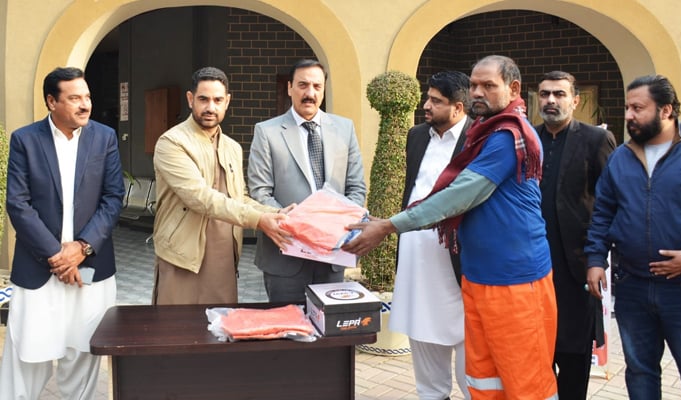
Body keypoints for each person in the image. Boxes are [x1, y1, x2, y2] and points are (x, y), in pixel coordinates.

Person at [343, 55, 558, 399]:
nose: (478, 92)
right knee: (486, 379)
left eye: (489, 86)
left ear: (514, 89)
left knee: (524, 380)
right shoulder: (482, 133)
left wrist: (388, 226)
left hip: (515, 278)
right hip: (480, 276)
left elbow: (455, 197)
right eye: (474, 84)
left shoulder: (506, 136)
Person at [0, 67, 125, 399]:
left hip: (91, 269)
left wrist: (82, 248)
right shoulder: (25, 139)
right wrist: (58, 256)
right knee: (27, 352)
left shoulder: (104, 137)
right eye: (74, 98)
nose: (85, 105)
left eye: (87, 97)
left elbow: (113, 197)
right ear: (51, 101)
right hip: (39, 268)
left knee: (84, 353)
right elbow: (18, 203)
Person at [585, 75, 681, 399]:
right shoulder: (621, 157)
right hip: (633, 286)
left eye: (638, 108)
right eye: (626, 108)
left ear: (666, 110)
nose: (629, 116)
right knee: (639, 374)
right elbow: (603, 213)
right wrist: (595, 259)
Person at [151, 67, 291, 305]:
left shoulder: (232, 147)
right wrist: (258, 221)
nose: (210, 108)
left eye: (217, 100)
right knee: (176, 334)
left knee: (219, 332)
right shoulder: (171, 142)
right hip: (182, 257)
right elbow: (200, 197)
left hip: (224, 256)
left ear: (227, 101)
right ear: (190, 99)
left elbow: (240, 197)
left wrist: (277, 214)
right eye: (203, 99)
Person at [248, 59, 366, 303]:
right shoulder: (267, 132)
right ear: (289, 88)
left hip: (332, 254)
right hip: (285, 256)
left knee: (329, 336)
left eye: (316, 86)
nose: (310, 93)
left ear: (323, 90)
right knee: (287, 332)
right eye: (302, 85)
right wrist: (299, 225)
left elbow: (356, 188)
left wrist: (334, 228)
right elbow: (259, 191)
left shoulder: (344, 129)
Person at [535, 70, 616, 399]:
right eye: (544, 94)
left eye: (559, 94)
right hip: (533, 268)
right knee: (536, 355)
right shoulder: (527, 138)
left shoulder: (596, 139)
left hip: (577, 268)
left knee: (572, 356)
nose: (551, 100)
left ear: (575, 100)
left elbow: (610, 202)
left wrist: (598, 257)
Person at [392, 71, 471, 400]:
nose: (426, 106)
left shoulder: (477, 139)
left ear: (458, 107)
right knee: (427, 365)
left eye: (435, 101)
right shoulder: (417, 136)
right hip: (416, 259)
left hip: (459, 262)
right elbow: (412, 191)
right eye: (428, 98)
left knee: (473, 372)